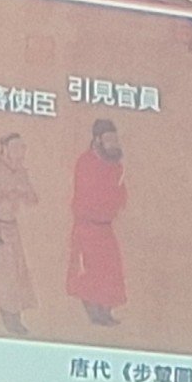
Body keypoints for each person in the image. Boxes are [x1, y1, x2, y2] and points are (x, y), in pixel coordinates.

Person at [68, 117, 128, 329]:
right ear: (97, 140)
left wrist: (116, 198)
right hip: (88, 226)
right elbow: (88, 195)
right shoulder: (86, 162)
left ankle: (106, 311)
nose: (113, 144)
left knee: (110, 271)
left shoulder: (116, 166)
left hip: (105, 227)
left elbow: (121, 194)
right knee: (89, 272)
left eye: (114, 139)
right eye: (108, 139)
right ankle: (94, 313)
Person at [0, 133, 37, 337]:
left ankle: (16, 318)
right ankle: (10, 320)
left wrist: (23, 192)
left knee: (17, 275)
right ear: (4, 149)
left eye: (22, 147)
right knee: (5, 277)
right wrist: (3, 192)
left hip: (14, 227)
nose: (21, 152)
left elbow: (33, 199)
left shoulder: (21, 171)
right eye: (16, 147)